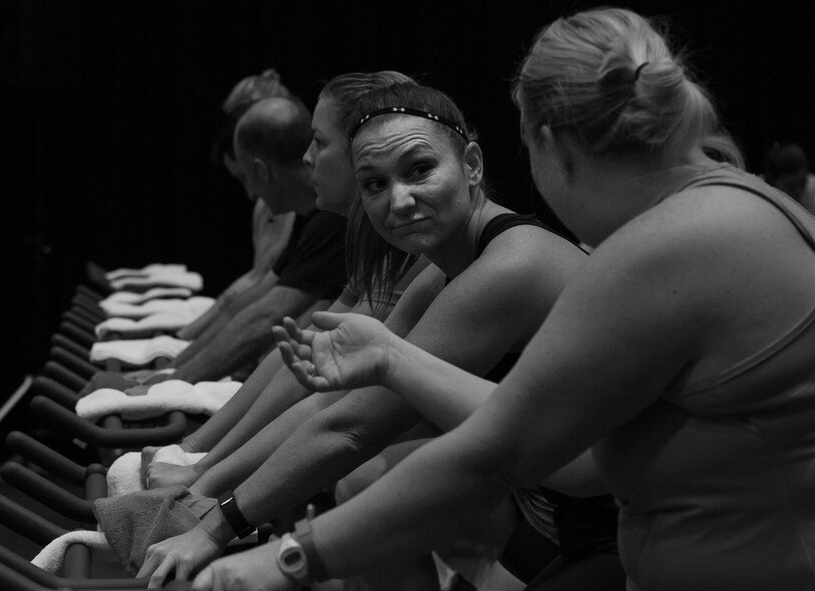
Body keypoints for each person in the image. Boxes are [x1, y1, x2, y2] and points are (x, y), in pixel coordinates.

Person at [197, 6, 815, 591]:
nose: (398, 201)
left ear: (544, 143)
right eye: (376, 184)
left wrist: (281, 554)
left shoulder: (664, 246)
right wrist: (390, 361)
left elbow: (499, 449)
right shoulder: (728, 203)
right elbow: (557, 449)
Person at [137, 82, 609, 589]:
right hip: (552, 505)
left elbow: (355, 426)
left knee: (363, 481)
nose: (399, 200)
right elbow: (332, 403)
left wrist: (214, 523)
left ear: (471, 164)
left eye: (420, 170)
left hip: (620, 513)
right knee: (361, 485)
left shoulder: (511, 265)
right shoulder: (438, 264)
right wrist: (202, 479)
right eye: (375, 184)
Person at [141, 71, 425, 490]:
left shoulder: (408, 251)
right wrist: (196, 452)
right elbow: (300, 353)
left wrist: (204, 473)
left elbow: (332, 399)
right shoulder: (377, 247)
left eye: (319, 141)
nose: (307, 156)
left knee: (353, 482)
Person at [167, 96, 348, 382]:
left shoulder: (333, 216)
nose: (251, 194)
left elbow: (266, 316)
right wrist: (171, 366)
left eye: (319, 142)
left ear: (262, 170)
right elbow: (252, 301)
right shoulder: (311, 213)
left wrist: (167, 381)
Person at [180, 69, 298, 343]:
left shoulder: (298, 202)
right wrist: (185, 341)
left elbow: (266, 297)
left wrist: (187, 346)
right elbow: (248, 289)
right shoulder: (267, 202)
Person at [761, 141, 815, 215]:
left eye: (802, 183)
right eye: (791, 186)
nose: (798, 191)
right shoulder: (758, 194)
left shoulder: (812, 188)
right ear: (772, 183)